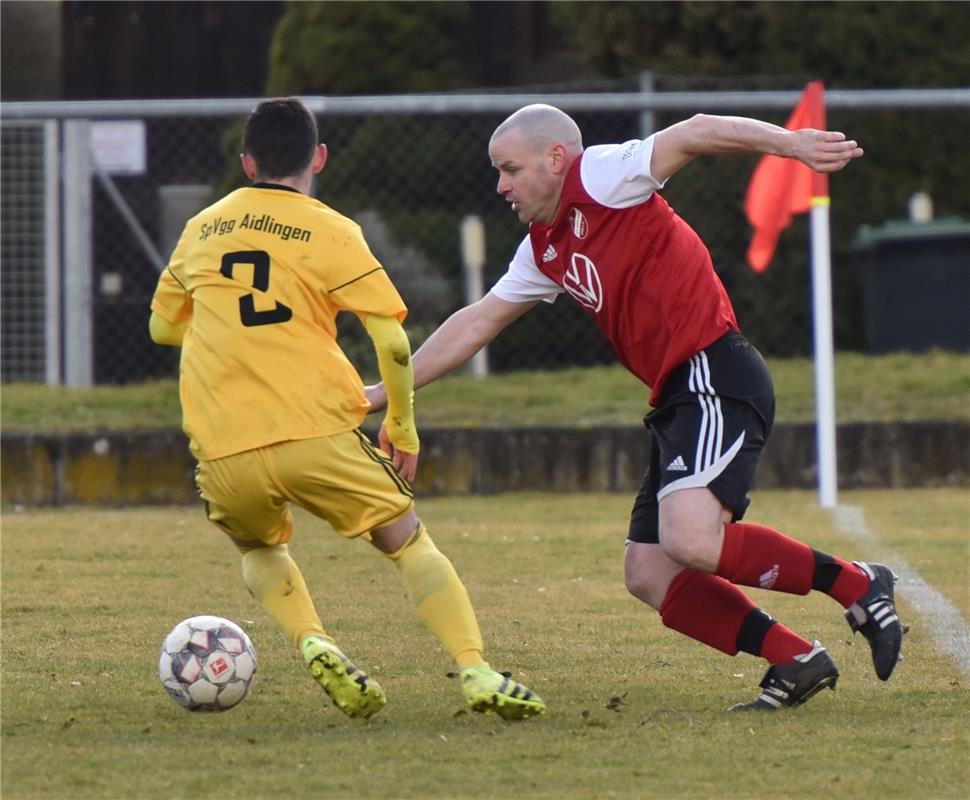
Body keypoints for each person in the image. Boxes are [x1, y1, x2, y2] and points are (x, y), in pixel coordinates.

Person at [366, 103, 904, 711]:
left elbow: (696, 131)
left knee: (693, 540)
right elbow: (476, 322)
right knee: (649, 571)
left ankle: (856, 583)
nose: (501, 186)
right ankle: (795, 658)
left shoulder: (600, 176)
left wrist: (792, 146)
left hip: (712, 370)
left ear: (555, 158)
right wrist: (384, 392)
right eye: (498, 173)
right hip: (677, 396)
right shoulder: (543, 248)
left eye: (510, 169)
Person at [148, 97, 544, 721]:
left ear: (247, 161)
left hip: (223, 444)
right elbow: (389, 340)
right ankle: (475, 669)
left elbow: (162, 329)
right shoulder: (331, 229)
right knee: (407, 541)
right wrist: (402, 423)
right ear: (319, 159)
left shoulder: (201, 227)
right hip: (315, 429)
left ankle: (313, 640)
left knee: (257, 548)